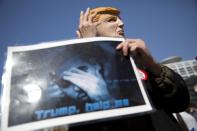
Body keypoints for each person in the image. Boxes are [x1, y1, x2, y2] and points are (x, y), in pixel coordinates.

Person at [68, 7, 190, 131]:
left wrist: (152, 65)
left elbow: (180, 103)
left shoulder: (139, 59)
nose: (121, 23)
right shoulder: (76, 71)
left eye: (120, 19)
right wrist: (87, 47)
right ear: (92, 28)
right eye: (111, 20)